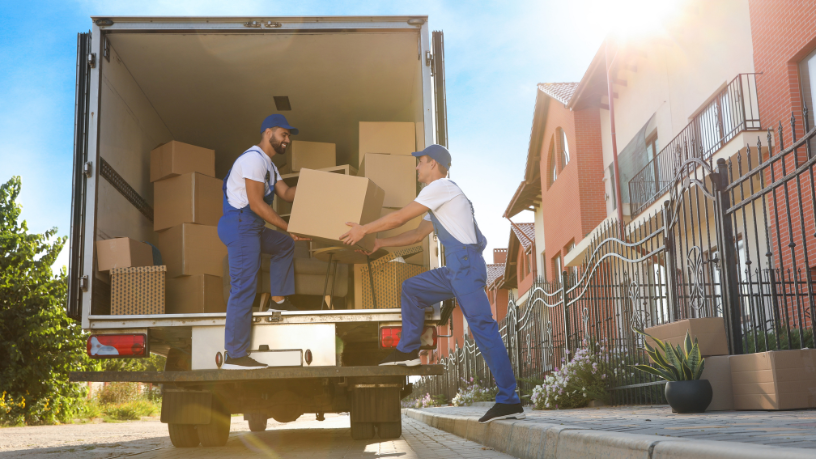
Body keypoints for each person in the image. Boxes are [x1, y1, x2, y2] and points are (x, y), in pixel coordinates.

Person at [339, 144, 525, 423]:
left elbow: (401, 217)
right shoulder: (439, 198)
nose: (417, 167)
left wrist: (363, 229)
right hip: (455, 269)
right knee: (412, 289)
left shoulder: (442, 187)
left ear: (434, 165)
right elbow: (416, 235)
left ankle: (509, 399)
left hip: (464, 266)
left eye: (421, 162)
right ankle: (408, 351)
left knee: (484, 330)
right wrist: (379, 242)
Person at [217, 114, 306, 370]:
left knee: (284, 245)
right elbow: (256, 204)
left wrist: (314, 185)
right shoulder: (253, 160)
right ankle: (235, 354)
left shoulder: (269, 165)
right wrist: (289, 227)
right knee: (244, 287)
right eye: (284, 134)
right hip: (240, 225)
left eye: (288, 136)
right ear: (268, 132)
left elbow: (287, 194)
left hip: (252, 227)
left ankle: (279, 299)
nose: (287, 140)